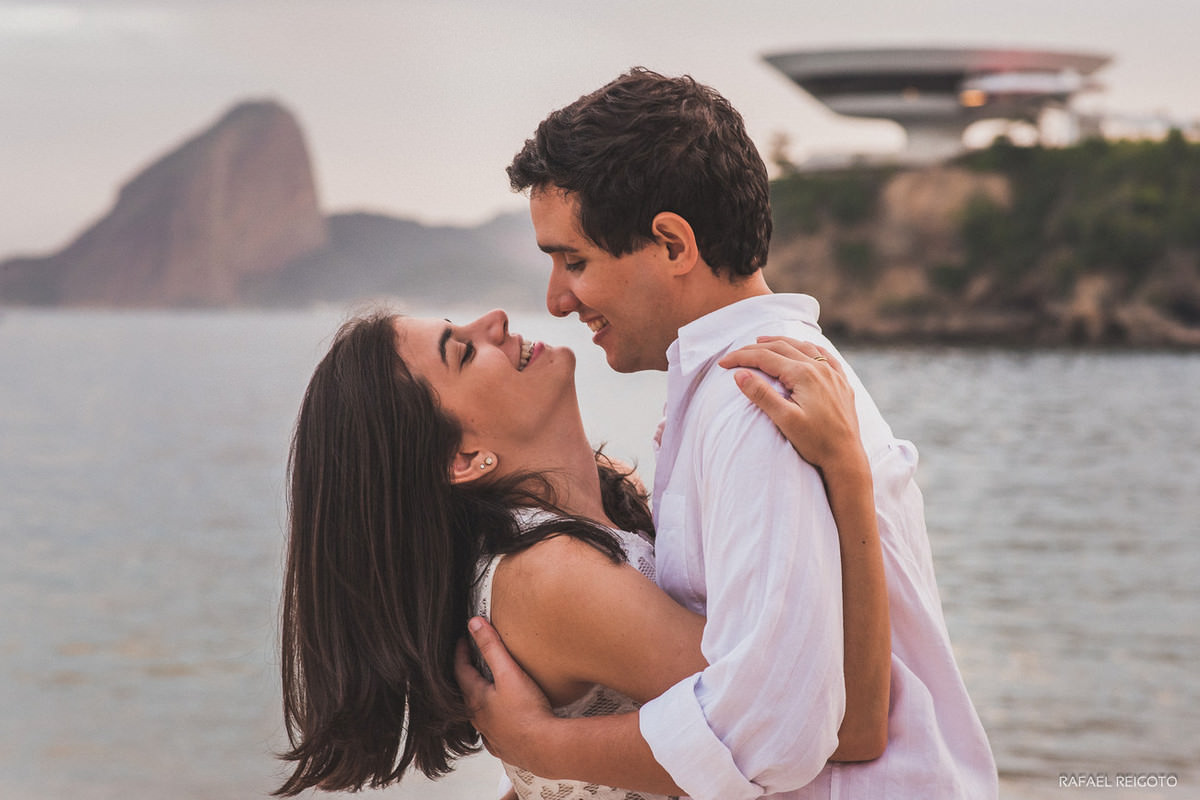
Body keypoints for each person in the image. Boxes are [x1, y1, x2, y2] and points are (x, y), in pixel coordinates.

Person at [456, 67, 998, 799]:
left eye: (574, 260)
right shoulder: (731, 392)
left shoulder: (754, 399)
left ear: (673, 245)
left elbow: (777, 725)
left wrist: (543, 744)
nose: (556, 301)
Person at [274, 308, 890, 798]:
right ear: (462, 459)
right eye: (462, 350)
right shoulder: (553, 576)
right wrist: (847, 468)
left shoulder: (608, 500)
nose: (495, 321)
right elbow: (845, 728)